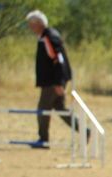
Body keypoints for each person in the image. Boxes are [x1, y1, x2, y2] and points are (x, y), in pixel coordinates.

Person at [26, 10, 76, 149]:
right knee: (61, 109)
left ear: (39, 24)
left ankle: (43, 140)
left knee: (42, 109)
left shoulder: (48, 37)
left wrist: (59, 82)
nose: (30, 27)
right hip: (53, 81)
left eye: (31, 24)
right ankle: (85, 131)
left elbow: (59, 60)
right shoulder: (45, 36)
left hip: (52, 83)